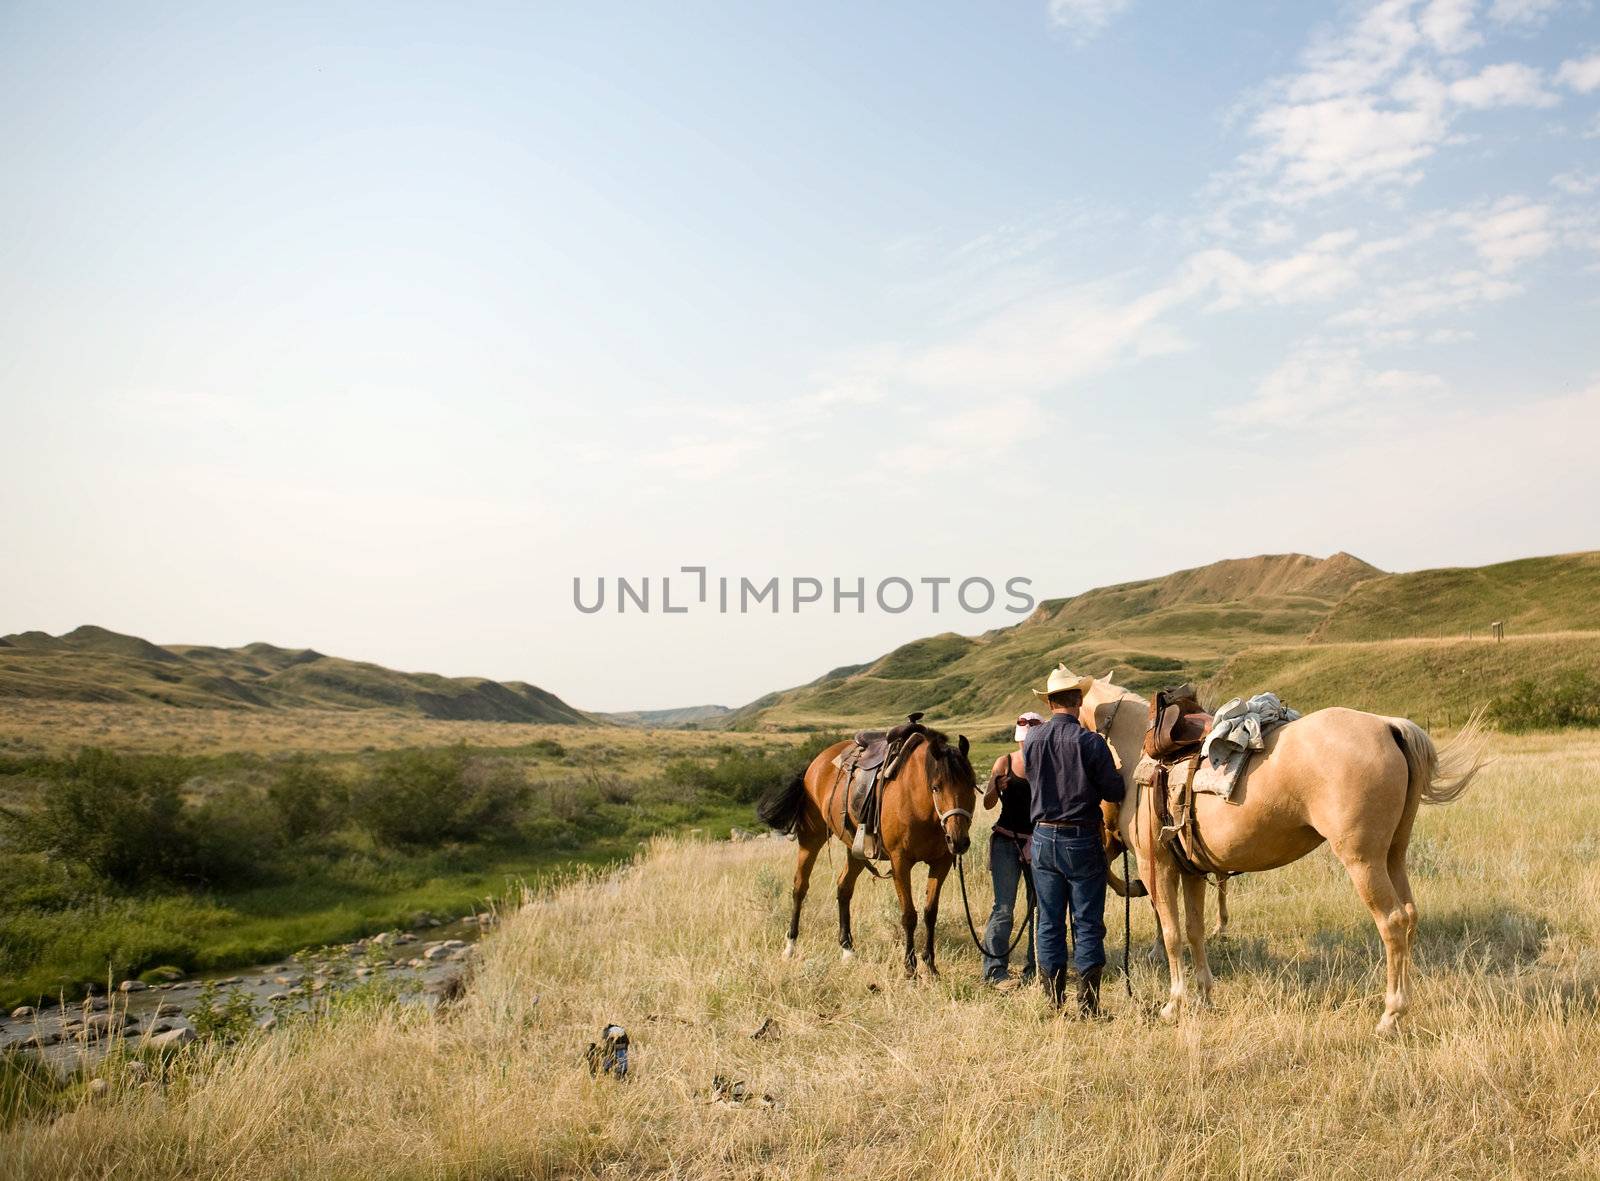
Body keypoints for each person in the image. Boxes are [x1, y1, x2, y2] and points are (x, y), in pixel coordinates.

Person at [1023, 664, 1125, 1016]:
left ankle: (1053, 1001)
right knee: (1087, 922)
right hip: (1081, 837)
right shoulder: (1090, 742)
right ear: (1079, 700)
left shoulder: (1033, 740)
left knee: (1049, 920)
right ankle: (1088, 1004)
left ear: (1051, 703)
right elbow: (1115, 790)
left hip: (1042, 838)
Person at [980, 711, 1041, 986]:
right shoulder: (1003, 762)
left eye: (1030, 741)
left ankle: (1035, 969)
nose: (1025, 746)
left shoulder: (1048, 764)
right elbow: (988, 803)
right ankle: (995, 971)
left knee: (1038, 908)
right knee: (1004, 907)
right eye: (1023, 741)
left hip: (1038, 841)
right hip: (1007, 839)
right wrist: (995, 785)